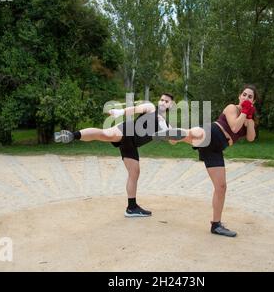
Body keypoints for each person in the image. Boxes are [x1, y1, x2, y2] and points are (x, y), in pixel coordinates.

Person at [54, 93, 175, 217]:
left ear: (171, 105)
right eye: (161, 99)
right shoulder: (151, 108)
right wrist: (120, 112)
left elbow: (172, 141)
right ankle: (72, 135)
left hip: (131, 145)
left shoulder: (165, 124)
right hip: (127, 130)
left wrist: (168, 130)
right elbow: (135, 109)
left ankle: (131, 208)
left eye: (166, 101)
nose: (162, 102)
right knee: (105, 135)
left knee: (134, 172)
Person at [164, 85, 258, 237]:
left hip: (217, 148)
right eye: (244, 95)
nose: (246, 98)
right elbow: (234, 128)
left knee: (221, 187)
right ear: (239, 96)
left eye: (250, 97)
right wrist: (245, 112)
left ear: (254, 101)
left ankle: (216, 225)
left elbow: (251, 138)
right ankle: (174, 133)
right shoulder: (232, 108)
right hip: (213, 133)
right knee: (199, 135)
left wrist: (250, 118)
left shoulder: (247, 118)